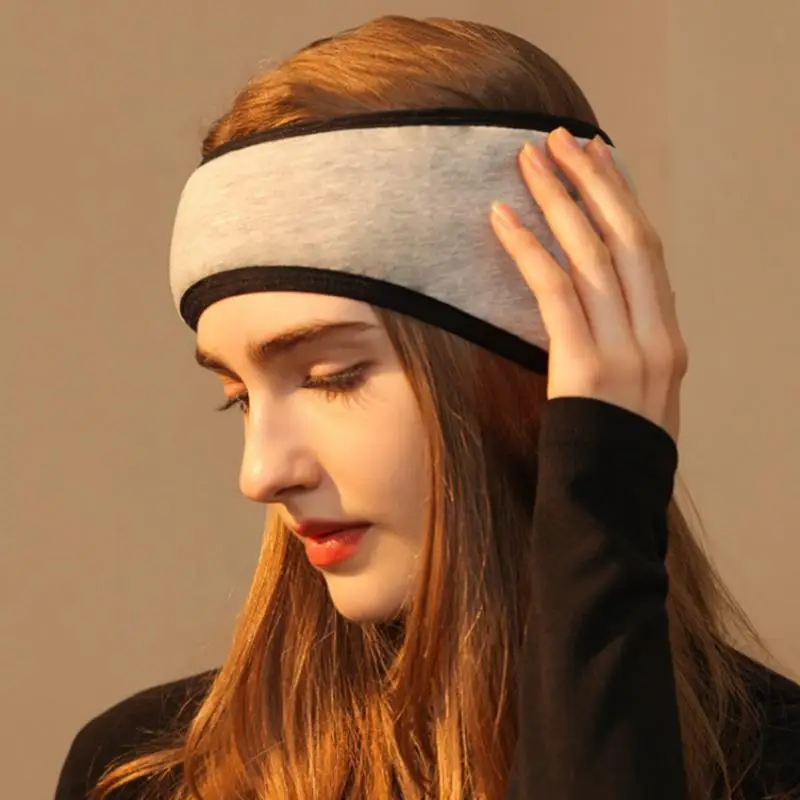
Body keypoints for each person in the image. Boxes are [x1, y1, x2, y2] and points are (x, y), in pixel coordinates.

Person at [54, 14, 800, 800]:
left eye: (332, 376)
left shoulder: (774, 766)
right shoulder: (144, 773)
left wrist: (604, 488)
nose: (261, 473)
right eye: (236, 397)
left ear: (540, 371)